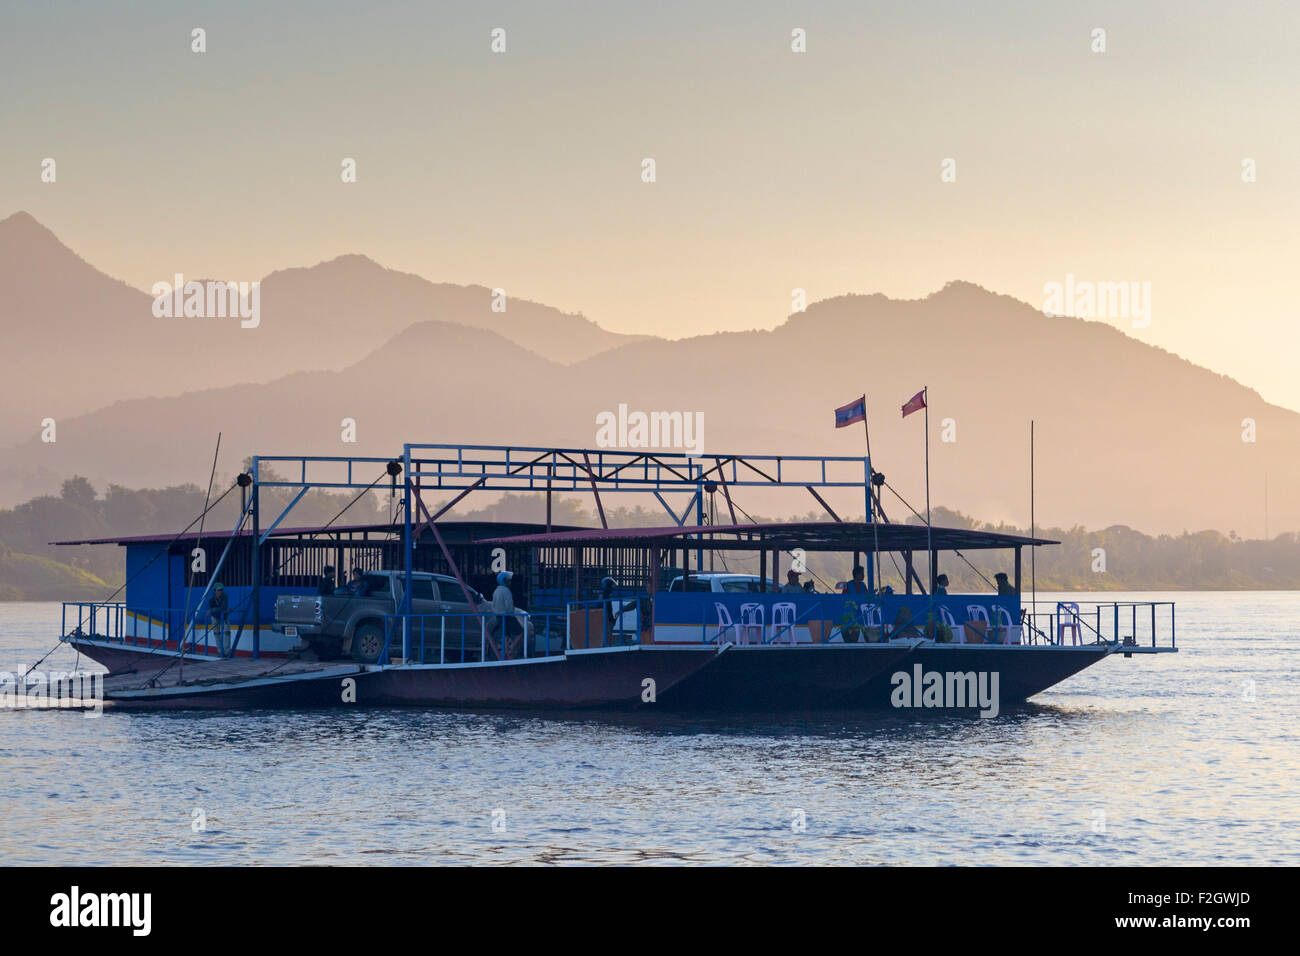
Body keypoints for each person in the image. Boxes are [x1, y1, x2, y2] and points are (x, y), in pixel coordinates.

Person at [209, 581, 230, 658]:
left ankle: (227, 652)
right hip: (215, 617)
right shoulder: (211, 600)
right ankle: (220, 651)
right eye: (218, 590)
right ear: (214, 591)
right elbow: (221, 608)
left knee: (227, 632)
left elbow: (223, 607)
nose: (220, 592)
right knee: (216, 633)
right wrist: (215, 610)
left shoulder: (225, 596)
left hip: (224, 617)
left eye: (221, 590)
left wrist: (213, 610)